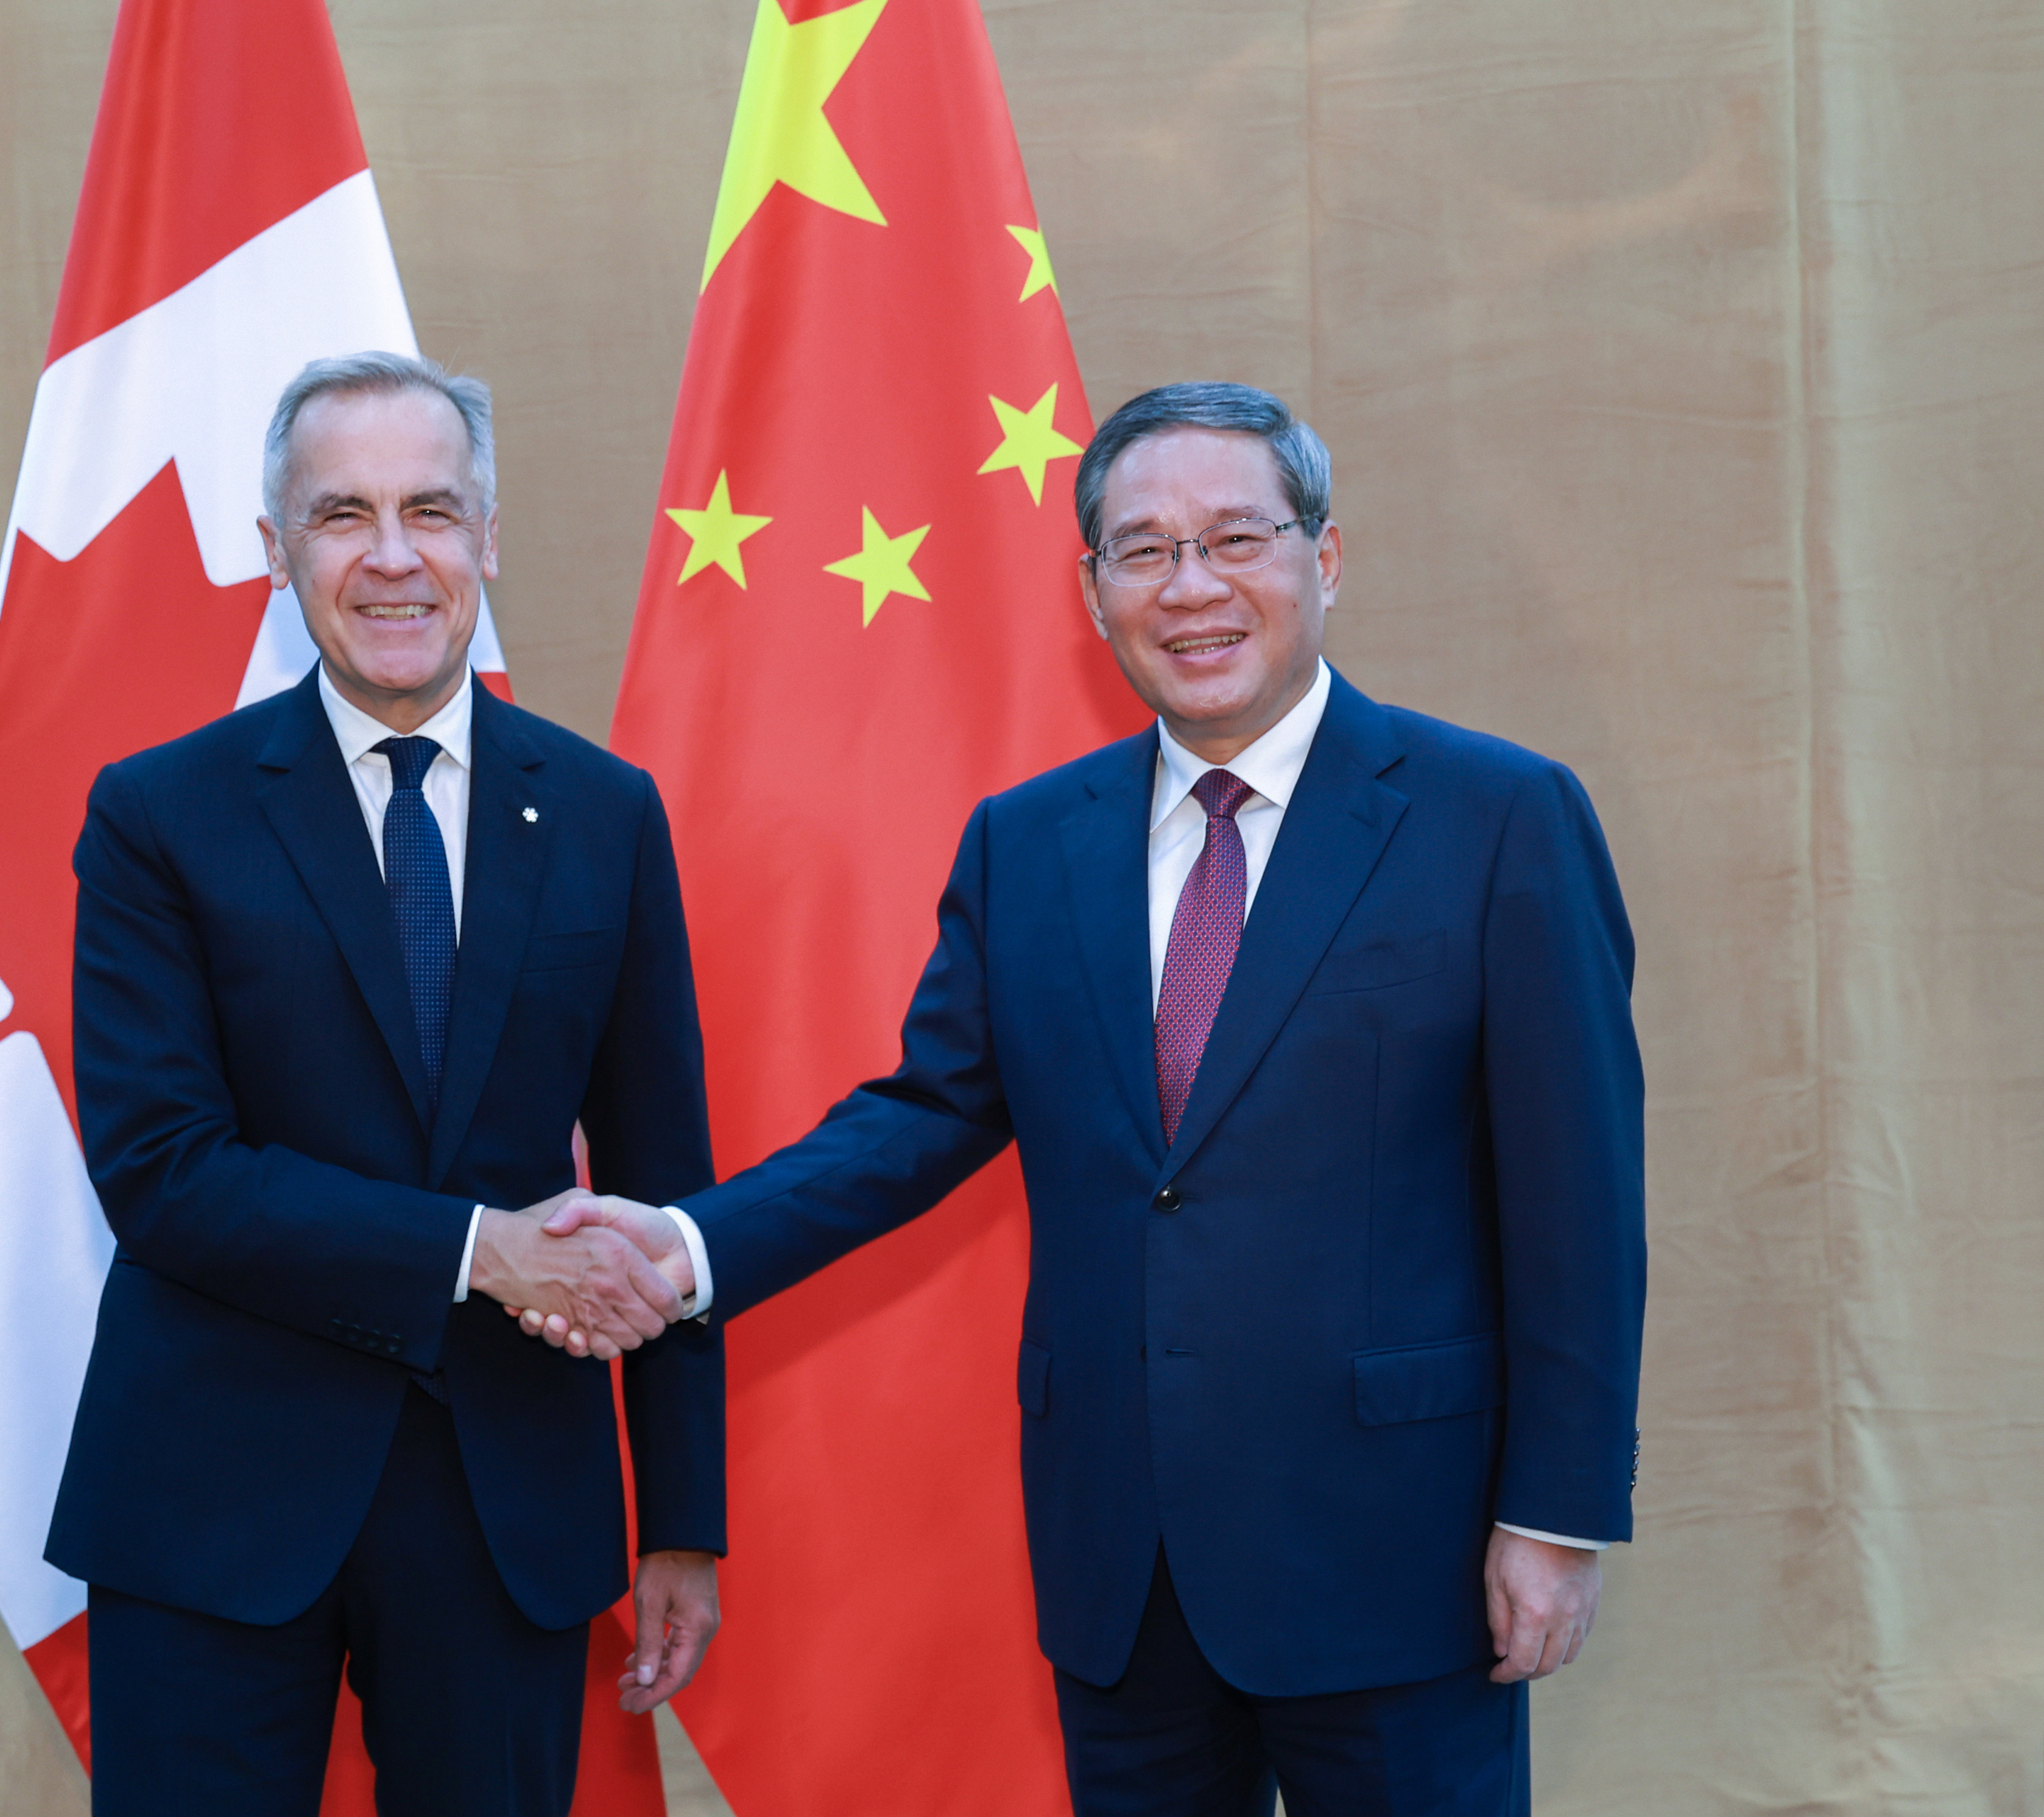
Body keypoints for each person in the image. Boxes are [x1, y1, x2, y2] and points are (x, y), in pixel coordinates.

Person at [520, 384, 1646, 1814]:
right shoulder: (1028, 843)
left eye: (1237, 538)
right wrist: (681, 1250)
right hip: (1125, 1562)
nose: (1192, 588)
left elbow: (1581, 1205)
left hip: (1399, 1555)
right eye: (1143, 549)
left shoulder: (1499, 818)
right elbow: (918, 1122)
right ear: (1091, 587)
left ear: (1326, 557)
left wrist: (1553, 1512)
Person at [46, 353, 725, 1817]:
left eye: (432, 507)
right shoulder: (160, 814)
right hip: (212, 1495)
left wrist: (681, 1517)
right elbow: (164, 1172)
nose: (394, 555)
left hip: (505, 1504)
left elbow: (666, 1189)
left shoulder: (605, 813)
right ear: (275, 551)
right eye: (343, 514)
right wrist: (481, 1250)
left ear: (489, 537)